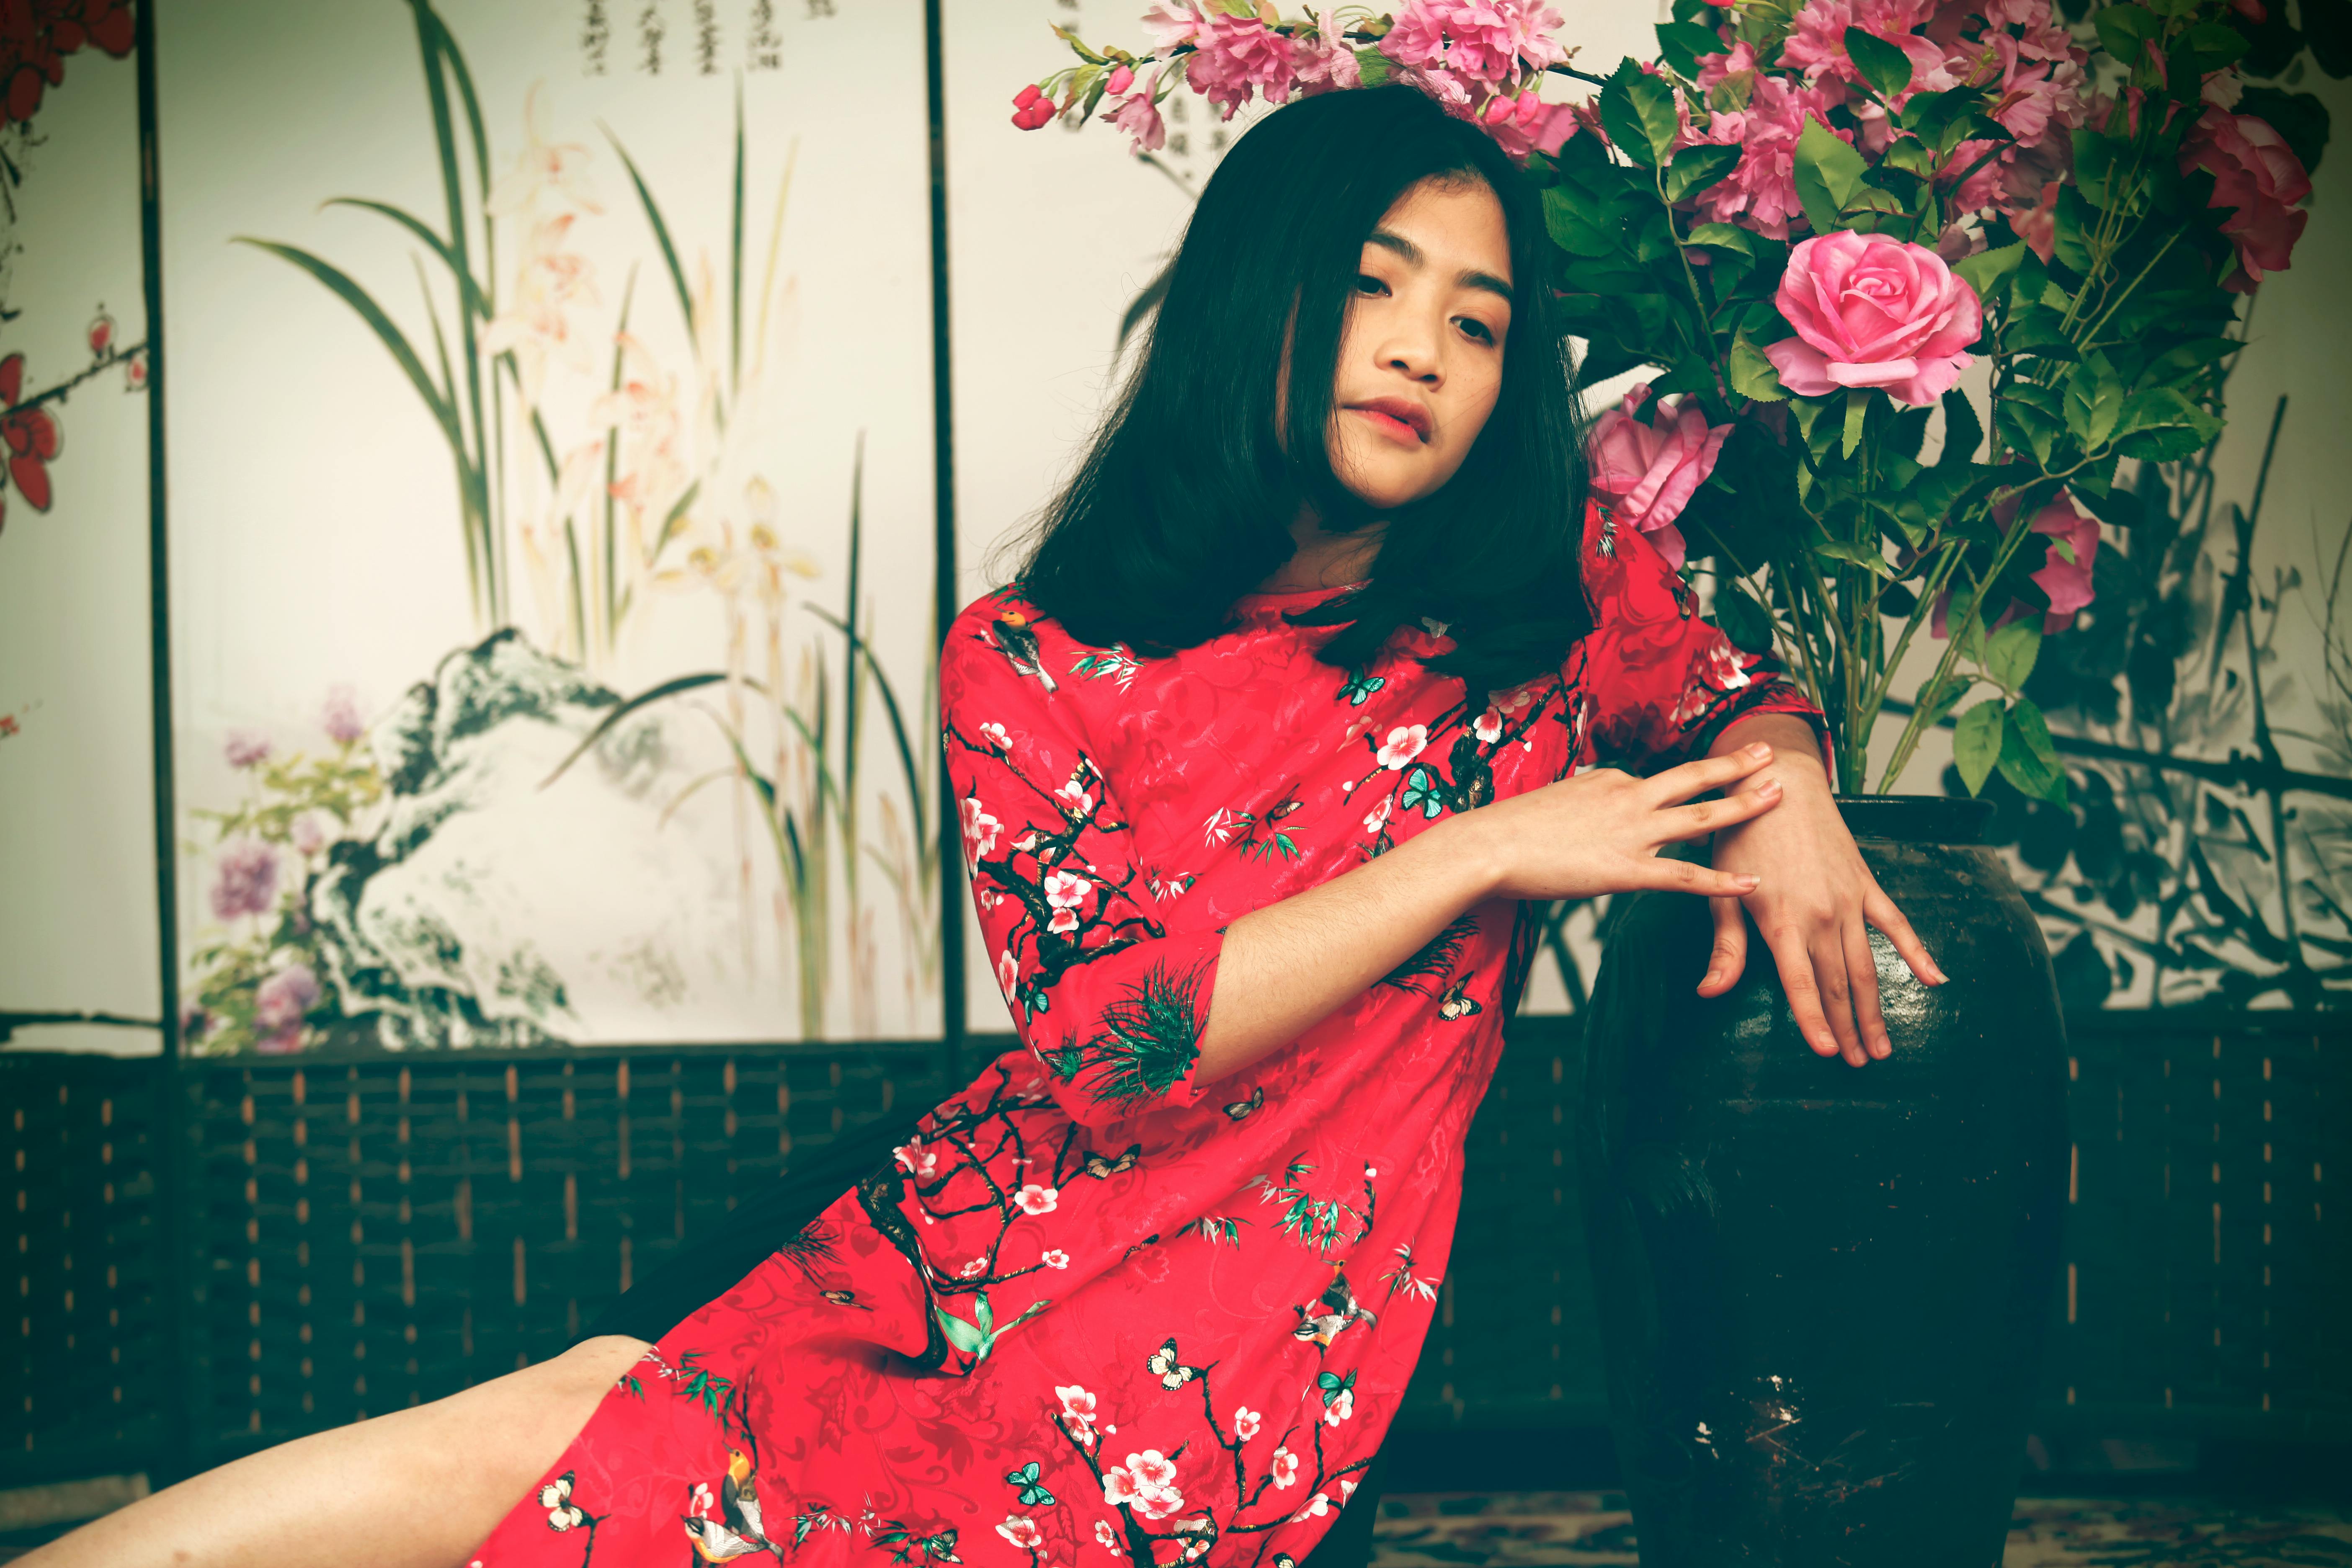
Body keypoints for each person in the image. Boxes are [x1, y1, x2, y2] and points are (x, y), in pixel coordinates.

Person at [28, 82, 1943, 1568]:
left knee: (615, 1433)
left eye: (1478, 318)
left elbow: (1711, 695)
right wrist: (1473, 851)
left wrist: (1788, 789)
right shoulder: (1035, 657)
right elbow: (1113, 1042)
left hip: (1217, 1357)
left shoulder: (1540, 610)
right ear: (1250, 297)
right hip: (986, 1237)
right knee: (588, 1410)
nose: (1424, 347)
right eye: (1369, 285)